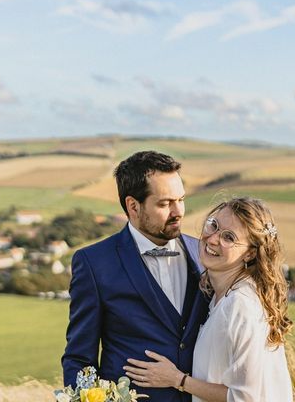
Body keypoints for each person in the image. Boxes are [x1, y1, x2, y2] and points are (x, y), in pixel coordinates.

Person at [61, 150, 209, 402]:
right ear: (133, 206)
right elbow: (79, 358)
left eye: (181, 200)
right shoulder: (95, 263)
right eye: (164, 204)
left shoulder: (204, 253)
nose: (178, 212)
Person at [124, 197, 294, 402]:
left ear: (250, 253)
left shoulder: (240, 305)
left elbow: (245, 397)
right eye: (213, 225)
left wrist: (177, 379)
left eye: (229, 237)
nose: (212, 239)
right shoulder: (221, 295)